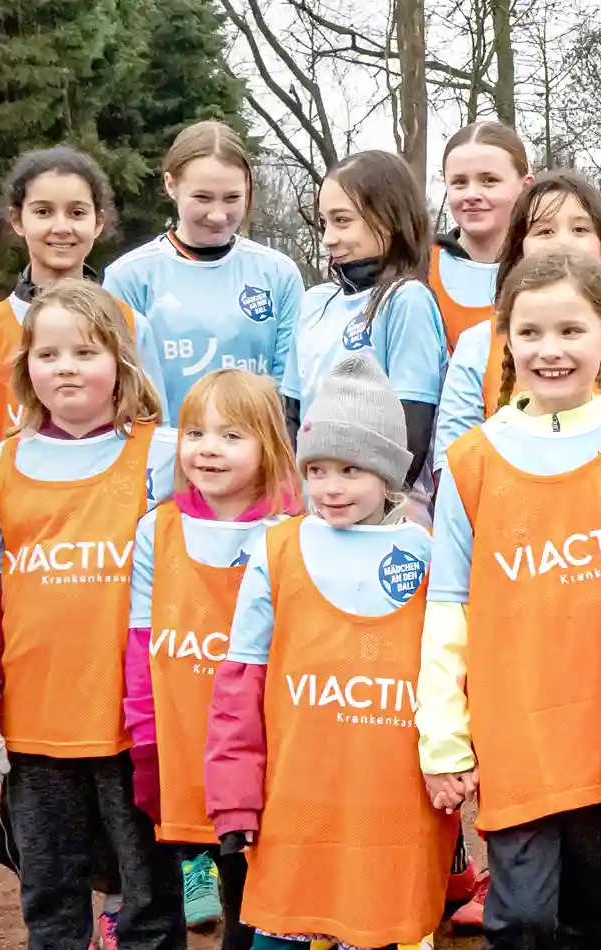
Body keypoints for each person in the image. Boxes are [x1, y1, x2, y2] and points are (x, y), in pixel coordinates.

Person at [417, 248, 601, 950]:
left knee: (588, 919)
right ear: (504, 338)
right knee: (520, 919)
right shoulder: (473, 461)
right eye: (531, 331)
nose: (551, 349)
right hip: (519, 731)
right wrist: (446, 737)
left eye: (571, 331)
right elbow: (450, 608)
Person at [0, 281, 189, 950]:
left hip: (135, 726)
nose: (67, 367)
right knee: (50, 903)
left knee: (149, 900)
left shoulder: (163, 456)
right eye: (48, 354)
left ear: (120, 360)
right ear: (25, 368)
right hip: (36, 726)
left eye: (85, 351)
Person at [205, 354, 462, 950]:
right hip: (296, 808)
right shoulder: (277, 549)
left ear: (389, 473)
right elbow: (239, 686)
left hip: (390, 812)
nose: (332, 487)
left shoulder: (426, 553)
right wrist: (235, 800)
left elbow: (453, 673)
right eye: (317, 468)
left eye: (352, 468)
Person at [123, 369, 301, 942]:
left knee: (259, 898)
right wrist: (146, 739)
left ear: (268, 444)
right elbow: (142, 645)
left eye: (232, 435)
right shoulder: (157, 530)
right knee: (210, 866)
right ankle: (200, 879)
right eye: (196, 432)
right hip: (183, 743)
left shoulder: (292, 533)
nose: (208, 449)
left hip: (264, 752)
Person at [434, 171, 601, 487]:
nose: (562, 242)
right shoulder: (478, 344)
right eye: (544, 230)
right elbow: (452, 467)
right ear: (519, 249)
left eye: (579, 229)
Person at [108, 122, 309, 421]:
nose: (218, 215)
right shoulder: (129, 277)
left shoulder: (279, 274)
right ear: (170, 185)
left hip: (255, 458)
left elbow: (290, 390)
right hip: (161, 459)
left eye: (232, 198)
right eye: (202, 198)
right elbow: (120, 388)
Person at [0, 148, 147, 454]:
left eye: (77, 212)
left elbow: (150, 428)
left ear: (98, 222)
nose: (61, 227)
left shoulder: (130, 324)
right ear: (17, 220)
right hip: (18, 498)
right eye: (43, 211)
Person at [288, 150, 450, 488]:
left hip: (384, 514)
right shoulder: (314, 302)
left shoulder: (406, 300)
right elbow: (290, 415)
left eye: (342, 220)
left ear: (388, 219)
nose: (328, 238)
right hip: (314, 506)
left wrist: (364, 500)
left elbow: (411, 435)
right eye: (324, 222)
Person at [429, 121, 534, 344]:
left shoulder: (553, 268)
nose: (472, 194)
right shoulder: (419, 267)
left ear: (525, 187)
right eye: (459, 182)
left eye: (489, 181)